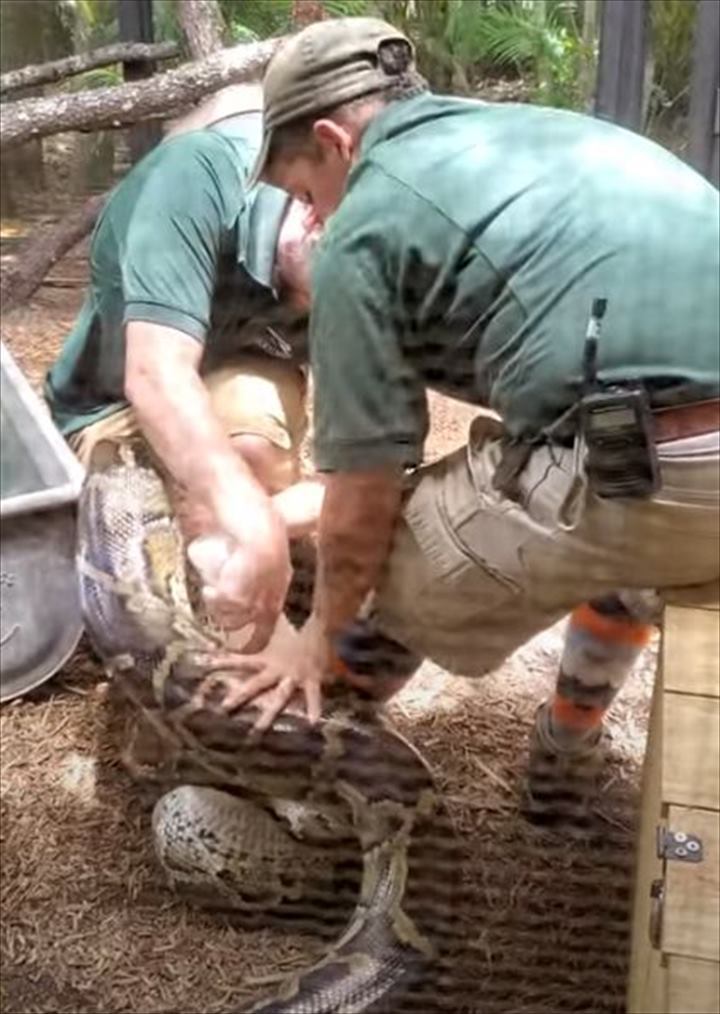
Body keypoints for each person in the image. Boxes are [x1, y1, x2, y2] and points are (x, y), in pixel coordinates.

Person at [216, 18, 719, 820]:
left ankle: (319, 795)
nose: (311, 218)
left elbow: (365, 503)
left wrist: (316, 634)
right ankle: (564, 754)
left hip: (669, 464)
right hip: (674, 464)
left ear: (332, 140)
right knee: (613, 518)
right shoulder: (538, 136)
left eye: (305, 192)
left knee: (382, 563)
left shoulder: (369, 225)